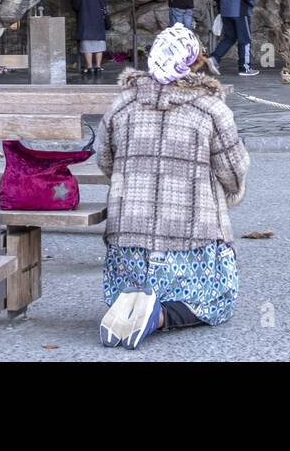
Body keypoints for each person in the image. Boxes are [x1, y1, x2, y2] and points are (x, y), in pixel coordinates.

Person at [95, 24, 249, 349]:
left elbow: (105, 161)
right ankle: (159, 315)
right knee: (219, 301)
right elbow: (233, 172)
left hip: (128, 246)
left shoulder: (122, 106)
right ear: (193, 64)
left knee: (130, 283)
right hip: (190, 243)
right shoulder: (211, 110)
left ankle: (129, 303)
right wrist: (227, 194)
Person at [207, 0, 259, 77]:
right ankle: (244, 68)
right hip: (240, 10)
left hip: (226, 11)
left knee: (230, 37)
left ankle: (214, 58)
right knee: (245, 39)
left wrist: (220, 10)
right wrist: (251, 3)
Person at [71, 0, 110, 77]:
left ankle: (89, 68)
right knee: (99, 44)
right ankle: (98, 66)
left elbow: (75, 6)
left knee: (87, 45)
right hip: (99, 23)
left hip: (85, 22)